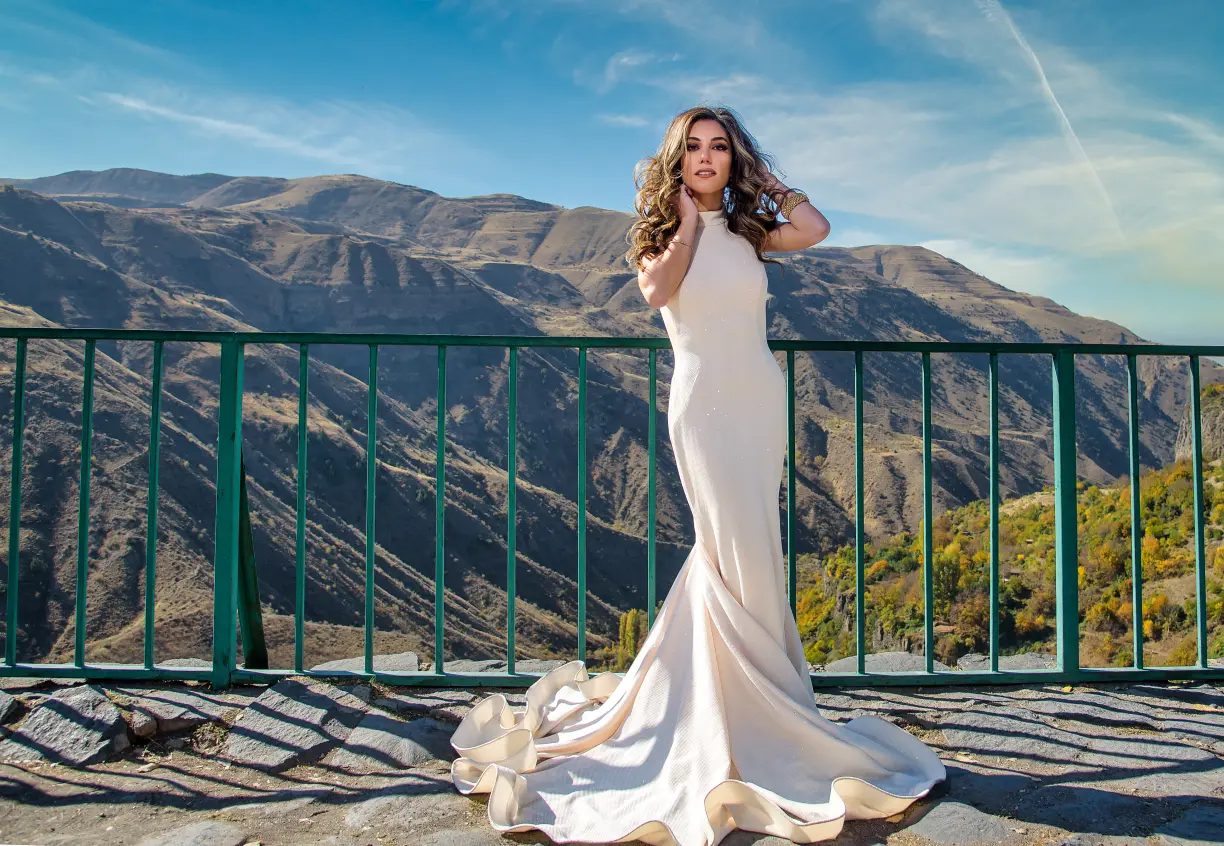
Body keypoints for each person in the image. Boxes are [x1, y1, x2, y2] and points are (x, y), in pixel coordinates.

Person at [449, 105, 947, 846]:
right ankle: (739, 710)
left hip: (758, 399)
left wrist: (767, 181)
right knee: (727, 545)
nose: (707, 159)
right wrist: (686, 222)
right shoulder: (656, 235)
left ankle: (763, 701)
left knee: (752, 548)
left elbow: (815, 230)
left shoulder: (750, 228)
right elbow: (657, 293)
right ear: (676, 161)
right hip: (704, 406)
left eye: (720, 147)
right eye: (695, 149)